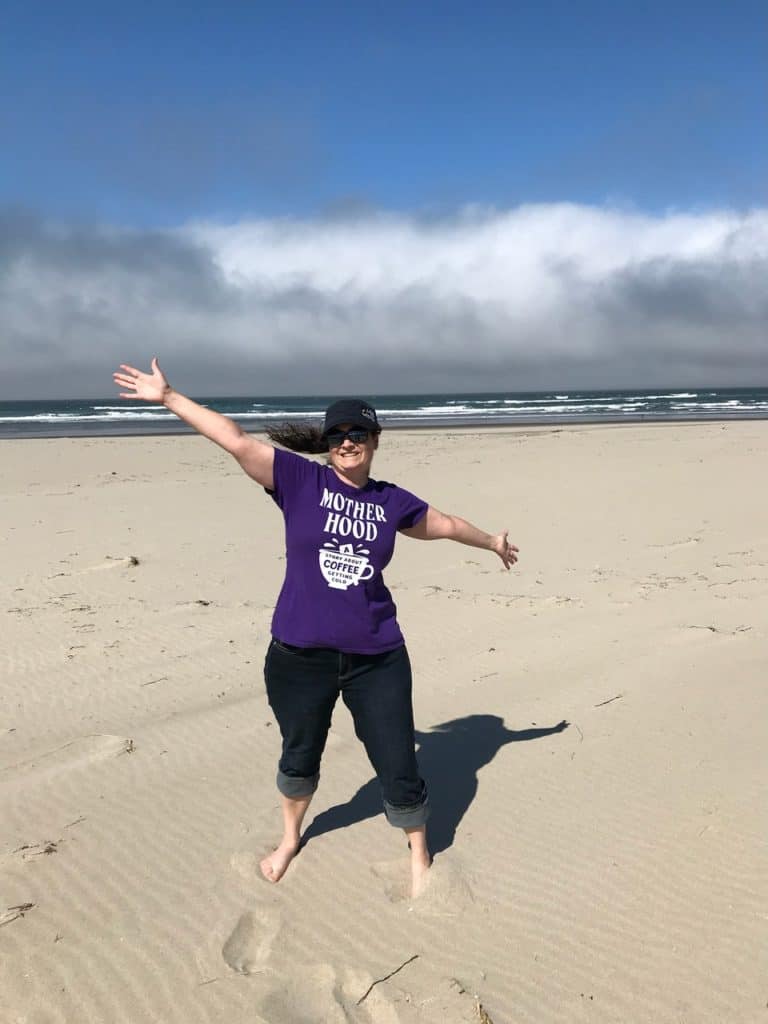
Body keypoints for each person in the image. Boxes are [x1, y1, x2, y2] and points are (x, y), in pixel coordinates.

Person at [113, 358, 519, 897]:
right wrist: (168, 397)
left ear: (375, 440)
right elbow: (233, 439)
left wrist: (492, 541)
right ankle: (290, 838)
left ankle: (420, 853)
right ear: (328, 443)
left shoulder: (390, 500)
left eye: (358, 433)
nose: (347, 442)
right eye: (338, 434)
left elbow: (444, 525)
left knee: (397, 757)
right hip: (299, 657)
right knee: (300, 751)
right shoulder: (298, 480)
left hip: (377, 657)